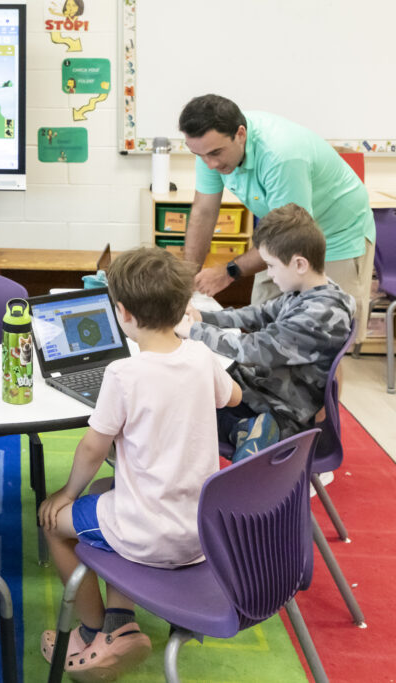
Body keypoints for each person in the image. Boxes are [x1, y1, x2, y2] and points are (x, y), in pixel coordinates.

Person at [38, 247, 241, 680]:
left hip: (148, 532)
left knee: (56, 525)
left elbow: (93, 449)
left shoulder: (123, 375)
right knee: (106, 495)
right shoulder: (201, 357)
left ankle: (95, 633)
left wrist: (65, 493)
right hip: (201, 532)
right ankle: (119, 624)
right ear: (184, 307)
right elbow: (234, 397)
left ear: (122, 314)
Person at [178, 94, 374, 344]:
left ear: (240, 134)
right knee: (265, 326)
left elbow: (291, 236)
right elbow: (203, 212)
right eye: (201, 155)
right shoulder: (208, 151)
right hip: (281, 232)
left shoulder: (281, 154)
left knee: (324, 336)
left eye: (216, 153)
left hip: (336, 233)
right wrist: (186, 279)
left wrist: (229, 272)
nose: (210, 163)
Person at [176, 203, 355, 460]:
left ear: (299, 264)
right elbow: (257, 314)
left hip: (282, 410)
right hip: (270, 386)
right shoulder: (310, 292)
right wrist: (204, 317)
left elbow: (254, 349)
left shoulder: (317, 316)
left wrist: (195, 331)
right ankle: (243, 430)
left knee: (188, 406)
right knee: (197, 382)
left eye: (270, 266)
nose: (269, 274)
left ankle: (247, 433)